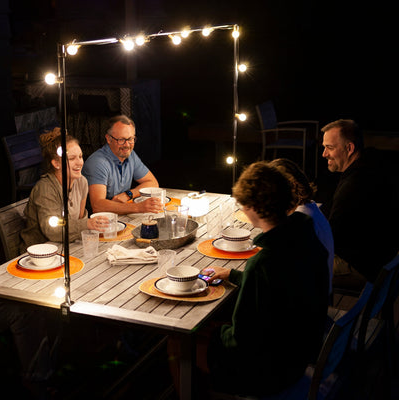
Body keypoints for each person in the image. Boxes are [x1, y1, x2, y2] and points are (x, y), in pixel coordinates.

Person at [169, 161, 329, 398]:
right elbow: (282, 285)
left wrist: (216, 332)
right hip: (299, 350)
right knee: (214, 324)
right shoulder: (304, 234)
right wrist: (233, 275)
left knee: (179, 337)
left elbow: (241, 341)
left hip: (269, 371)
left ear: (254, 207)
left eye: (243, 204)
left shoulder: (263, 262)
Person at [321, 119, 399, 290]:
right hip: (385, 258)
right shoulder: (371, 163)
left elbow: (330, 237)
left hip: (364, 267)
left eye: (330, 148)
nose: (324, 154)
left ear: (349, 148)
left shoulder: (355, 184)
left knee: (296, 266)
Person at [20, 128, 108, 250]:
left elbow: (79, 219)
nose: (79, 163)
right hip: (38, 253)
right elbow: (52, 229)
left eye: (81, 156)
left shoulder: (82, 182)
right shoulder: (45, 189)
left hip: (68, 247)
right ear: (56, 163)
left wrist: (87, 224)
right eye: (72, 159)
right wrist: (87, 223)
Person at [269, 158, 334, 295]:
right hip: (317, 296)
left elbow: (273, 277)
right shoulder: (311, 209)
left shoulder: (298, 224)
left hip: (305, 307)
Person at [82, 115, 162, 215]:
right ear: (108, 139)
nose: (127, 145)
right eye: (121, 140)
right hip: (96, 222)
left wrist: (128, 194)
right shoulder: (97, 162)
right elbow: (98, 206)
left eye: (130, 139)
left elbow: (153, 183)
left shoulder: (130, 155)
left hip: (119, 217)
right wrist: (138, 207)